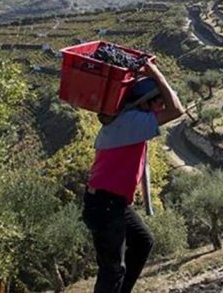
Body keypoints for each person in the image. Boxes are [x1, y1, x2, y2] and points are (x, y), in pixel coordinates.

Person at [82, 61, 185, 293]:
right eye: (156, 101)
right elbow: (177, 109)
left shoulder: (129, 119)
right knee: (112, 270)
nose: (161, 106)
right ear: (143, 103)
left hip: (110, 202)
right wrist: (155, 73)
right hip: (105, 204)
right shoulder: (132, 122)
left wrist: (147, 77)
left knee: (142, 242)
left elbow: (171, 102)